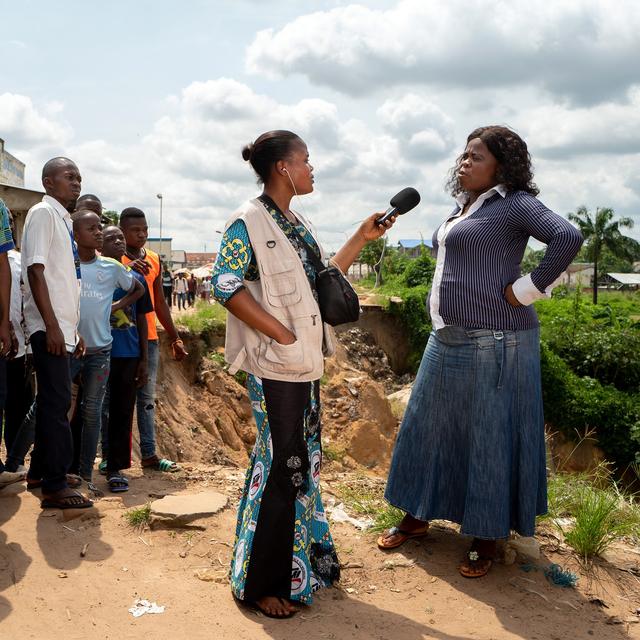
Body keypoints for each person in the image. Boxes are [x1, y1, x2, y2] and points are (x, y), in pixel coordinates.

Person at [379, 126, 583, 578]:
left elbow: (568, 237)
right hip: (446, 336)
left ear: (501, 166)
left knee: (489, 440)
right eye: (464, 155)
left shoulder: (516, 204)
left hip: (496, 340)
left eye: (476, 157)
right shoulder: (464, 208)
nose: (464, 162)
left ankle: (486, 536)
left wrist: (527, 290)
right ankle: (417, 516)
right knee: (426, 428)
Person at [212, 130, 395, 617]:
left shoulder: (296, 221)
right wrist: (281, 333)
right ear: (283, 169)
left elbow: (324, 280)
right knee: (281, 465)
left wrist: (361, 237)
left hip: (302, 367)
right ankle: (263, 584)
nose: (312, 169)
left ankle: (303, 565)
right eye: (306, 161)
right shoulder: (247, 221)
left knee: (299, 463)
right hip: (276, 367)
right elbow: (224, 283)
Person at [20, 157, 92, 508]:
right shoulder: (42, 214)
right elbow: (35, 271)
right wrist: (50, 325)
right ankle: (54, 484)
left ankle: (40, 473)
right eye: (68, 177)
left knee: (54, 402)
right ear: (48, 182)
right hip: (47, 329)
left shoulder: (63, 220)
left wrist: (71, 330)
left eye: (79, 177)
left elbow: (63, 282)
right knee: (57, 404)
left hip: (61, 330)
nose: (76, 183)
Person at [70, 210, 143, 489]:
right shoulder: (72, 266)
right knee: (77, 410)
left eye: (117, 237)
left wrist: (114, 307)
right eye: (106, 235)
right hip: (78, 350)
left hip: (118, 351)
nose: (116, 242)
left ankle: (109, 470)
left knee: (110, 412)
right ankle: (68, 468)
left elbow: (143, 305)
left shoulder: (121, 271)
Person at [120, 207, 187, 472]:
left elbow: (160, 301)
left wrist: (175, 336)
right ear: (122, 231)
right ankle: (115, 458)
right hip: (121, 338)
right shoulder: (114, 258)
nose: (142, 234)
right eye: (135, 230)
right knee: (118, 400)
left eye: (145, 229)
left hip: (148, 337)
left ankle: (149, 454)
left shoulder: (154, 259)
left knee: (147, 399)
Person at [100, 225, 151, 492]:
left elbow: (142, 319)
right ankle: (85, 464)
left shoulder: (136, 278)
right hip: (97, 351)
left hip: (128, 354)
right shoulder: (92, 274)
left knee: (122, 411)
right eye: (111, 238)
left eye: (120, 237)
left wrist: (143, 358)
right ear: (100, 244)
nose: (118, 241)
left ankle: (115, 468)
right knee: (94, 411)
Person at [0, 198, 26, 489]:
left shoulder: (18, 260)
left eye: (9, 221)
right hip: (6, 333)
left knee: (15, 401)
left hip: (17, 340)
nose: (7, 224)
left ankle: (13, 460)